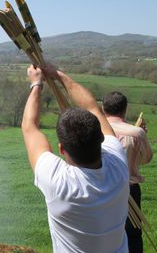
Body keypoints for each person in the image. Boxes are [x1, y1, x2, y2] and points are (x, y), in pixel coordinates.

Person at [21, 65, 130, 252]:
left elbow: (30, 127)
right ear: (102, 139)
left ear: (62, 149)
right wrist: (59, 75)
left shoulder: (58, 183)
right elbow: (93, 107)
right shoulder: (118, 163)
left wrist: (36, 83)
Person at [103, 91, 153, 253]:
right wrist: (139, 138)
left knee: (104, 232)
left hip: (102, 187)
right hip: (129, 190)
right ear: (124, 109)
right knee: (133, 234)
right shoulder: (137, 133)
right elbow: (146, 159)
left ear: (103, 108)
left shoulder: (95, 129)